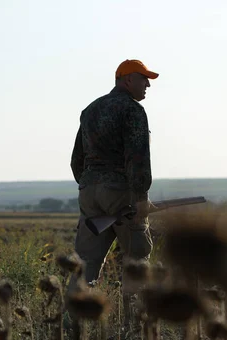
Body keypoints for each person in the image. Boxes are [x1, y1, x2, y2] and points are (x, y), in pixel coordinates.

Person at [69, 59, 158, 291]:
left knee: (85, 263)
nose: (148, 84)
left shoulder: (91, 110)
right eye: (143, 78)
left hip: (89, 193)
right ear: (127, 79)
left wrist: (90, 185)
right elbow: (138, 158)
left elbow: (76, 160)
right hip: (121, 193)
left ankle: (72, 321)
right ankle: (137, 324)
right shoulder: (132, 110)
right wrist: (141, 197)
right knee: (137, 259)